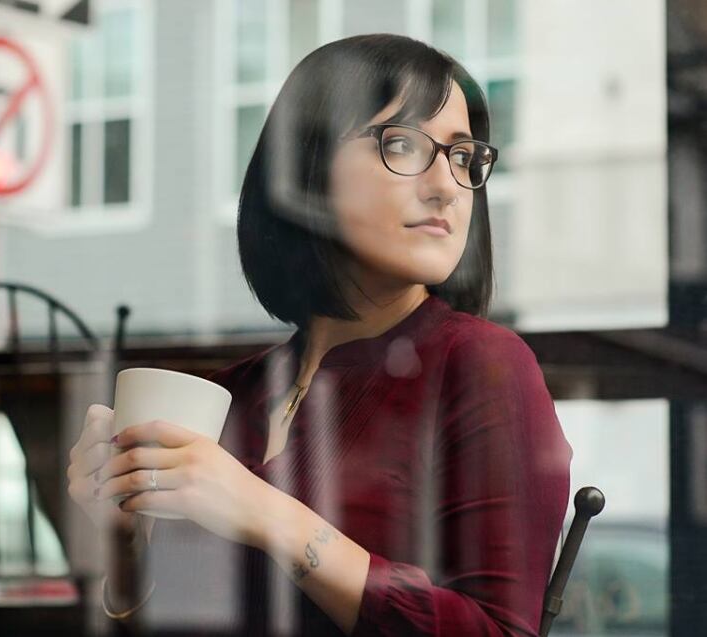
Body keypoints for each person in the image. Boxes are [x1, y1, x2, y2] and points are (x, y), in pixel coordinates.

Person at [67, 33, 573, 637]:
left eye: (464, 158)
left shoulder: (481, 363)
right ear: (304, 168)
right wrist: (123, 537)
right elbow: (179, 617)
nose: (447, 186)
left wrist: (267, 515)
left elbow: (500, 631)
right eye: (406, 144)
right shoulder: (233, 394)